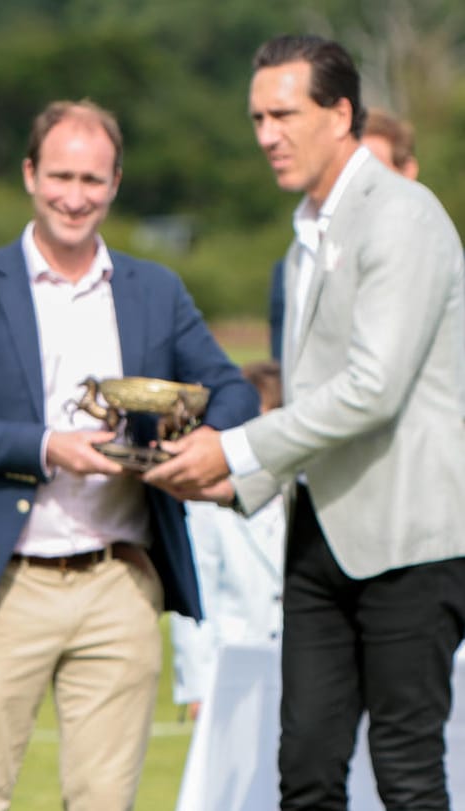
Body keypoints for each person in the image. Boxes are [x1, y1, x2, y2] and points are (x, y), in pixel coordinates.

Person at [146, 34, 465, 810]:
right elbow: (316, 401)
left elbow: (372, 389)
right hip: (319, 538)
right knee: (307, 772)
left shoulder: (402, 215)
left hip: (411, 542)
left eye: (283, 114)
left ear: (341, 113)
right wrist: (231, 481)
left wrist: (234, 445)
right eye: (257, 117)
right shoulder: (305, 231)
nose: (265, 135)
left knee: (407, 771)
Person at [0, 99, 257, 811]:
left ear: (117, 182)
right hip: (4, 583)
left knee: (105, 802)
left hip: (120, 580)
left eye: (93, 181)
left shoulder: (155, 289)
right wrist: (50, 447)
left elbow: (233, 388)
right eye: (61, 176)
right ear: (30, 174)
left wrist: (198, 444)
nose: (75, 196)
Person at [170, 360, 287, 720]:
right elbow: (198, 588)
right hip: (234, 662)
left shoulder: (303, 488)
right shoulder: (208, 503)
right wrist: (198, 685)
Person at [267, 109, 420, 360]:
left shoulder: (446, 262)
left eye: (374, 168)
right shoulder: (294, 267)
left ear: (408, 171)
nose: (358, 184)